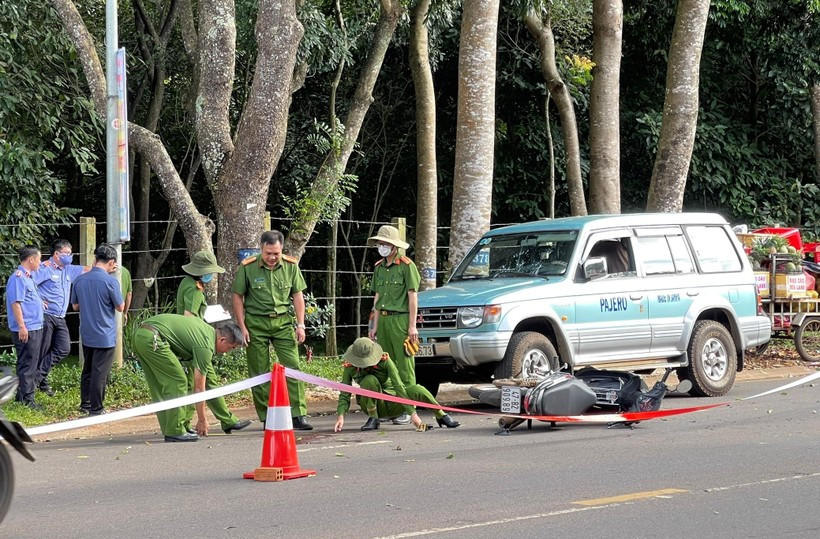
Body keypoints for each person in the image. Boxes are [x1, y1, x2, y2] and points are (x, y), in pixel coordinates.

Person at [232, 230, 312, 430]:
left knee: (293, 367)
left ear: (281, 249)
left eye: (276, 253)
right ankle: (267, 416)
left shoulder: (291, 266)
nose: (272, 257)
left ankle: (298, 414)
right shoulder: (248, 267)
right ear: (261, 249)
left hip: (282, 323)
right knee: (259, 371)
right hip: (256, 324)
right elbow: (237, 296)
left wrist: (300, 324)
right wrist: (242, 326)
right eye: (268, 253)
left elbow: (298, 296)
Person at [132, 314, 245, 442]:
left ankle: (177, 427)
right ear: (222, 340)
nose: (227, 352)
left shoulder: (206, 331)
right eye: (230, 348)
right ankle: (175, 430)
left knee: (160, 384)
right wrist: (202, 419)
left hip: (142, 334)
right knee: (178, 380)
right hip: (152, 338)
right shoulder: (205, 346)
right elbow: (199, 388)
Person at [175, 250, 250, 435]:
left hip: (194, 340)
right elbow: (189, 317)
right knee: (199, 384)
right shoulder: (194, 289)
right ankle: (189, 423)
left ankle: (226, 420)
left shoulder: (188, 282)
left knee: (207, 382)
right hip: (197, 341)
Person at [333, 337, 459, 432]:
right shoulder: (349, 367)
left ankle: (441, 416)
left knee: (418, 389)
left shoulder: (385, 360)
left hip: (394, 401)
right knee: (369, 380)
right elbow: (344, 393)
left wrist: (413, 414)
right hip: (372, 405)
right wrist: (341, 416)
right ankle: (373, 419)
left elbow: (398, 386)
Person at [367, 225, 421, 425]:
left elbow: (412, 296)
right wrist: (374, 325)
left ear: (394, 245)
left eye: (385, 243)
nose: (382, 246)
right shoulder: (379, 267)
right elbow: (377, 297)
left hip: (401, 320)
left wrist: (412, 326)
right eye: (380, 243)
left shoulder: (407, 266)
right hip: (383, 321)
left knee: (405, 367)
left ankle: (409, 408)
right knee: (385, 366)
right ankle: (392, 407)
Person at [70, 244, 125, 416]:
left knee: (88, 369)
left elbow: (75, 306)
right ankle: (96, 408)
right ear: (112, 262)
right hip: (105, 335)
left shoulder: (79, 280)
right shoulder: (110, 281)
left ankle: (85, 403)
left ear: (95, 259)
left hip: (87, 333)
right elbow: (120, 307)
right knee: (100, 373)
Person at [33, 239, 88, 396]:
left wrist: (108, 266)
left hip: (60, 317)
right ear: (57, 254)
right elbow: (29, 283)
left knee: (64, 348)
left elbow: (89, 270)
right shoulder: (44, 268)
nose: (69, 256)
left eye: (70, 253)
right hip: (46, 316)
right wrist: (38, 300)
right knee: (43, 350)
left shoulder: (68, 269)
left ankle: (37, 378)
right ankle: (40, 384)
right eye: (66, 253)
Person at [5, 245, 44, 410]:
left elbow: (28, 299)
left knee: (29, 362)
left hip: (34, 326)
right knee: (28, 363)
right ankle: (28, 399)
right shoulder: (18, 278)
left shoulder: (28, 277)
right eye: (39, 259)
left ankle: (22, 396)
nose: (40, 262)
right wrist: (22, 326)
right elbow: (16, 303)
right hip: (27, 327)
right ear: (31, 259)